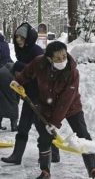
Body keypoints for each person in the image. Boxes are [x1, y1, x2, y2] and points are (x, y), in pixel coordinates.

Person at [12, 41, 95, 179]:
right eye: (57, 58)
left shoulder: (72, 72)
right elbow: (27, 73)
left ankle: (92, 168)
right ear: (49, 58)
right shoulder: (39, 62)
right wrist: (18, 81)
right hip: (47, 105)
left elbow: (66, 100)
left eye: (64, 56)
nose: (62, 60)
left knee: (83, 134)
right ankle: (45, 171)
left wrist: (54, 123)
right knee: (45, 138)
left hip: (71, 106)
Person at [1, 22, 60, 164]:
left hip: (40, 96)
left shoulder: (37, 51)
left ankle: (53, 153)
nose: (19, 40)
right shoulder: (22, 50)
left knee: (38, 127)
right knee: (27, 127)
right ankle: (17, 156)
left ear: (28, 38)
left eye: (22, 38)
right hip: (29, 95)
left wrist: (18, 66)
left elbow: (39, 72)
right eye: (17, 38)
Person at [0, 33, 15, 130]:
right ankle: (14, 125)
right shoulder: (5, 44)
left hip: (2, 70)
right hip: (9, 69)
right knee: (12, 98)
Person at [0, 63, 19, 131]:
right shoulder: (15, 72)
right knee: (14, 105)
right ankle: (14, 126)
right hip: (8, 83)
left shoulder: (4, 68)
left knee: (1, 106)